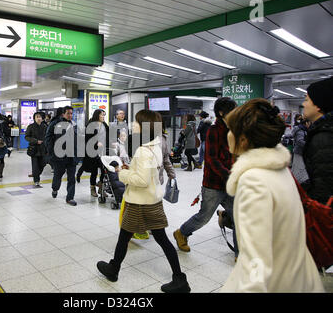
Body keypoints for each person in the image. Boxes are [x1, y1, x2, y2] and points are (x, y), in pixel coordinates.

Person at [220, 98, 324, 292]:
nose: (228, 135)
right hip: (297, 277)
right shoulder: (280, 170)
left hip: (277, 283)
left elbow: (255, 262)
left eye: (231, 130)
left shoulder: (253, 181)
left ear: (242, 139)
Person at [97, 109, 190, 293]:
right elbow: (146, 173)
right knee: (161, 239)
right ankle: (179, 279)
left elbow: (141, 180)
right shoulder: (155, 145)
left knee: (124, 237)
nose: (133, 125)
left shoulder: (142, 151)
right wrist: (130, 168)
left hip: (138, 203)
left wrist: (121, 173)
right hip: (152, 200)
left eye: (137, 122)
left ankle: (113, 269)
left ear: (145, 127)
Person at [174, 97, 238, 258]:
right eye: (233, 110)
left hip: (231, 184)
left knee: (239, 218)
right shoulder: (213, 131)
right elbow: (212, 159)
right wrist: (229, 175)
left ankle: (240, 252)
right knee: (204, 217)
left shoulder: (234, 131)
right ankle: (182, 233)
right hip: (213, 185)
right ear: (222, 113)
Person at [301, 77, 333, 205]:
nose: (303, 104)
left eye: (306, 99)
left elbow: (324, 187)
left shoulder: (323, 137)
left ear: (318, 105)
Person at [45, 106, 78, 206]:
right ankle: (55, 189)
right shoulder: (55, 124)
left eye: (71, 113)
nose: (70, 115)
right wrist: (52, 152)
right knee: (58, 176)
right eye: (68, 113)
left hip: (72, 156)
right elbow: (48, 138)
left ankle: (70, 198)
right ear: (63, 114)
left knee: (72, 178)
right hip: (59, 156)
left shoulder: (74, 124)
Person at [77, 109, 109, 197]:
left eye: (104, 115)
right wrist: (96, 143)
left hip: (103, 151)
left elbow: (109, 136)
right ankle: (92, 188)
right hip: (92, 151)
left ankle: (101, 187)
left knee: (104, 170)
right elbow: (87, 139)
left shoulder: (104, 125)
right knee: (94, 171)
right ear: (97, 115)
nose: (103, 117)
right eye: (102, 115)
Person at [25, 112, 47, 188]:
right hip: (34, 149)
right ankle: (36, 180)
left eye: (40, 117)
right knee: (35, 165)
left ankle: (36, 174)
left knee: (43, 164)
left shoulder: (45, 126)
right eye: (37, 117)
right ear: (34, 118)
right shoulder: (30, 127)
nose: (38, 118)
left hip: (43, 149)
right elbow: (27, 137)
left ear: (42, 118)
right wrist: (35, 141)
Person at [291, 118, 310, 183]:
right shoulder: (301, 130)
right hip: (299, 152)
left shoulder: (303, 129)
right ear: (306, 123)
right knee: (299, 167)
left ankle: (295, 180)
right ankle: (299, 181)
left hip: (299, 151)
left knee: (297, 167)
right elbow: (299, 141)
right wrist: (308, 145)